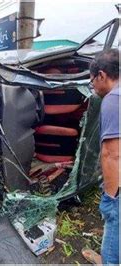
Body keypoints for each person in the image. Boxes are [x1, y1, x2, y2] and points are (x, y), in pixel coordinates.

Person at [82, 48, 119, 265]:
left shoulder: (113, 100)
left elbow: (112, 154)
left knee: (113, 237)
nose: (93, 87)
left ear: (102, 75)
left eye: (91, 81)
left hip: (119, 189)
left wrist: (110, 199)